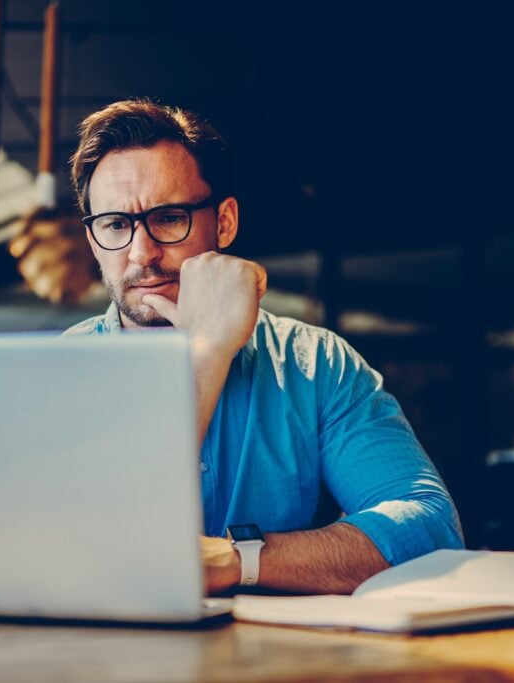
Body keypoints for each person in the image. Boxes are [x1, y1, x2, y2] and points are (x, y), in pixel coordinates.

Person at [63, 99, 463, 595]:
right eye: (116, 225)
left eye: (169, 217)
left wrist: (239, 559)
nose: (142, 252)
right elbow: (80, 554)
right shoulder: (56, 376)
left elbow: (430, 529)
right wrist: (207, 351)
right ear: (93, 237)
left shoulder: (318, 365)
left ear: (224, 222)